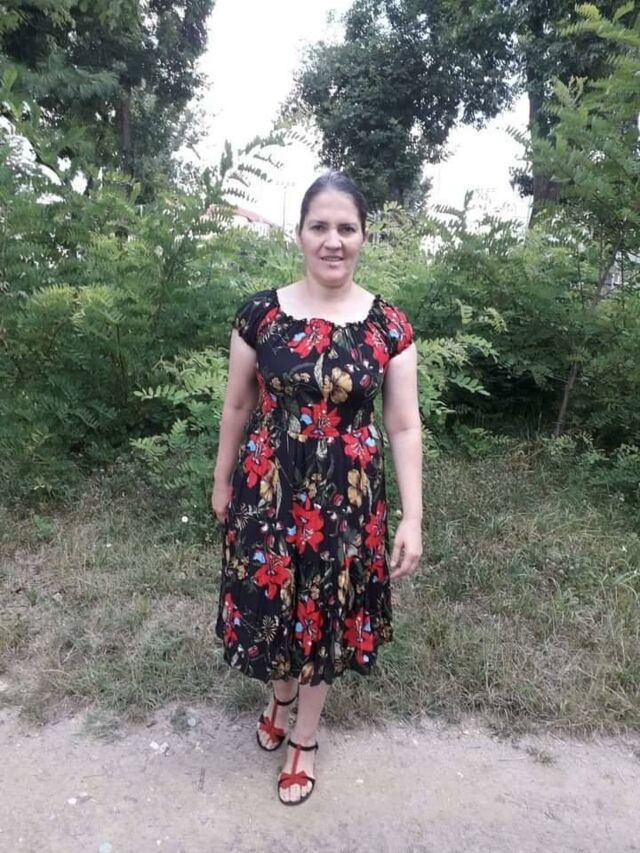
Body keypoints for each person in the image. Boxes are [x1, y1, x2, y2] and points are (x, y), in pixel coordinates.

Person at [211, 171, 422, 806]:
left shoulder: (388, 326)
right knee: (274, 604)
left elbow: (404, 424)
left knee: (323, 614)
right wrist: (221, 480)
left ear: (363, 237)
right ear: (300, 234)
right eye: (320, 227)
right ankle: (279, 697)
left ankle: (304, 738)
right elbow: (237, 404)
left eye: (346, 228)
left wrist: (413, 518)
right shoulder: (261, 315)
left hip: (347, 501)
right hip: (267, 491)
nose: (333, 240)